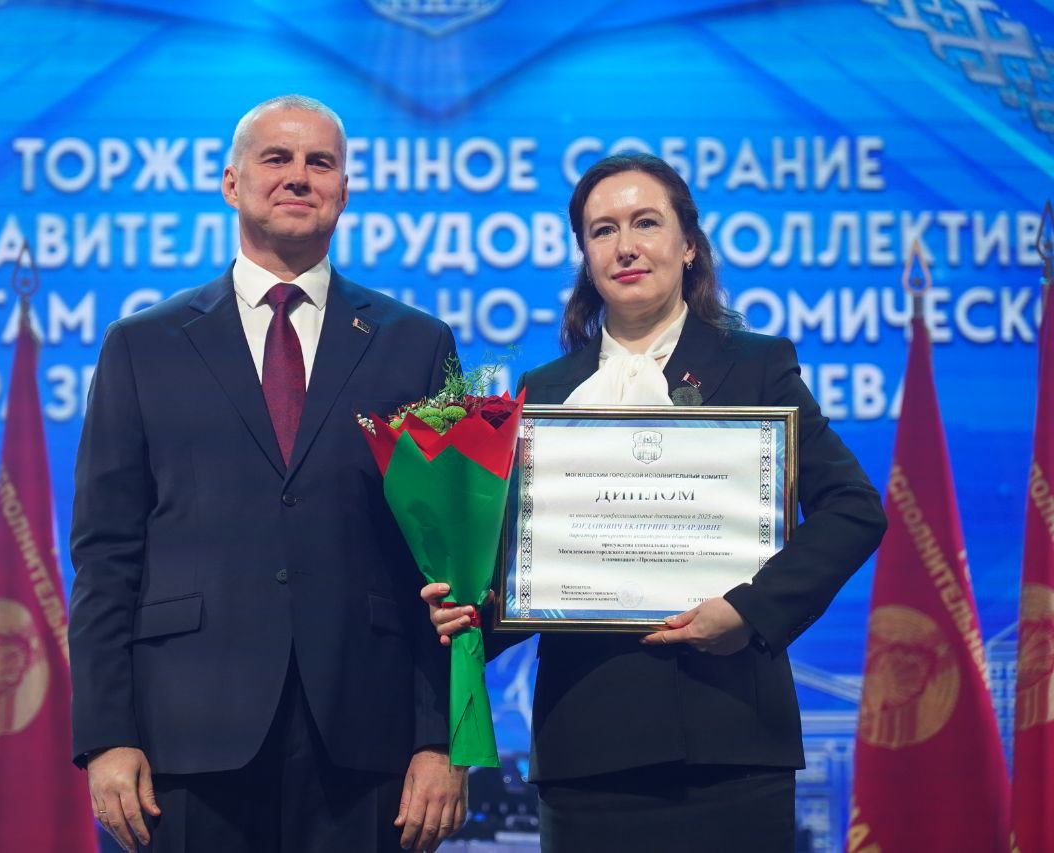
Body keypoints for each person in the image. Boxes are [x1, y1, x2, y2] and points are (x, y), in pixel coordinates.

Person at [423, 154, 887, 852]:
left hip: (731, 738)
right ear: (585, 256)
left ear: (688, 243)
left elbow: (853, 507)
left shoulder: (756, 366)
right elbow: (530, 571)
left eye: (646, 223)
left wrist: (749, 610)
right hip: (586, 746)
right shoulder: (544, 391)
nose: (626, 246)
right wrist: (470, 611)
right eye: (603, 230)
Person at [70, 94, 467, 853]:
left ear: (344, 190)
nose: (298, 176)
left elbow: (444, 564)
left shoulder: (415, 344)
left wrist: (440, 739)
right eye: (276, 158)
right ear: (232, 182)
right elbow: (106, 555)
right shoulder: (142, 346)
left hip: (368, 735)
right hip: (185, 733)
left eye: (320, 162)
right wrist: (106, 734)